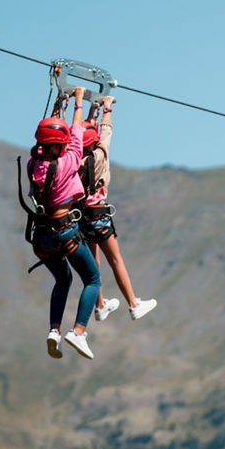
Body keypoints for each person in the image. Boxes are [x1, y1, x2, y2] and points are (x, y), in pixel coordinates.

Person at [27, 86, 102, 359]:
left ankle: (54, 331)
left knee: (63, 279)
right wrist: (79, 103)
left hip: (42, 235)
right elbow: (77, 135)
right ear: (60, 144)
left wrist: (59, 106)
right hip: (65, 230)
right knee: (92, 278)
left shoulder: (34, 164)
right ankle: (78, 332)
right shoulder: (68, 162)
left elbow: (55, 135)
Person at [79, 95, 158, 322]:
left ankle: (100, 305)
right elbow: (105, 133)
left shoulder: (74, 159)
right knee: (116, 260)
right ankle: (133, 304)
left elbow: (81, 136)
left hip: (83, 217)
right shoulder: (100, 155)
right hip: (99, 215)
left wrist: (91, 111)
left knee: (94, 266)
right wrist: (106, 110)